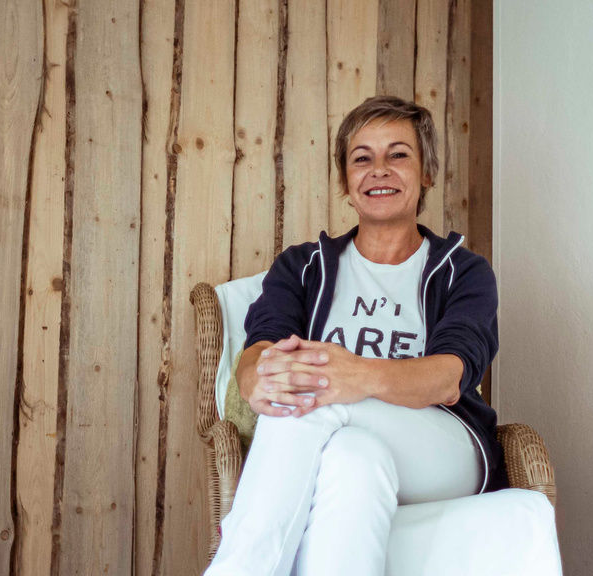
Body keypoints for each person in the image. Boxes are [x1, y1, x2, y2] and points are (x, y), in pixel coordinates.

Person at [205, 96, 525, 576]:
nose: (379, 170)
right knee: (352, 462)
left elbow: (448, 378)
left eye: (398, 154)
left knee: (313, 393)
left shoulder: (462, 271)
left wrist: (353, 375)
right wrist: (257, 379)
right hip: (343, 443)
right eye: (362, 158)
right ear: (345, 182)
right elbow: (260, 349)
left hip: (445, 447)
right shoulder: (303, 266)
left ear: (426, 173)